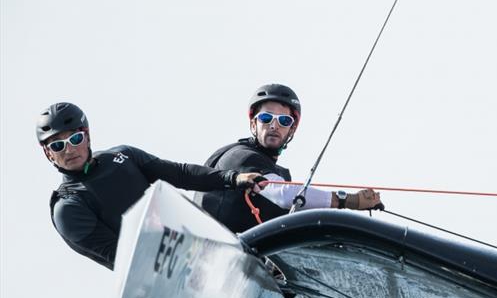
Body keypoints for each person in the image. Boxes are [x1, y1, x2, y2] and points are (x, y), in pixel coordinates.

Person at [38, 102, 265, 270]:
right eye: (58, 146)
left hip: (194, 240)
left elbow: (180, 174)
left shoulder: (122, 156)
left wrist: (233, 178)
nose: (69, 150)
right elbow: (121, 257)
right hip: (162, 275)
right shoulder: (67, 207)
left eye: (75, 140)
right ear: (48, 153)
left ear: (86, 136)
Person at [196, 83, 382, 233]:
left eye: (284, 121)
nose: (274, 126)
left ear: (292, 129)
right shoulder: (240, 157)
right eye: (266, 118)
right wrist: (348, 200)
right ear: (254, 124)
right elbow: (283, 194)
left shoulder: (273, 168)